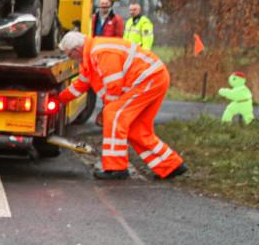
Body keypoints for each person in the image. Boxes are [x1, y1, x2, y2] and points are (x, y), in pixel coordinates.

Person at [56, 31, 188, 180]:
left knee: (113, 115)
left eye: (69, 55)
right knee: (136, 129)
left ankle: (116, 168)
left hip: (148, 79)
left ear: (77, 50)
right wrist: (60, 99)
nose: (70, 59)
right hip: (153, 78)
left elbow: (114, 88)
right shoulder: (91, 56)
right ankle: (171, 166)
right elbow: (81, 84)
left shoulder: (100, 52)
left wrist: (105, 112)